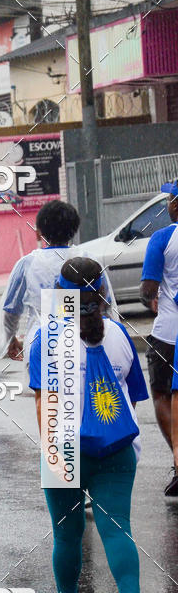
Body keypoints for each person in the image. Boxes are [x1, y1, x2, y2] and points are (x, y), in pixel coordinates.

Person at [29, 257, 148, 593]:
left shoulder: (45, 337)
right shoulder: (118, 333)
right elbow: (132, 397)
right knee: (118, 529)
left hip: (64, 446)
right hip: (117, 449)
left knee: (67, 535)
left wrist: (54, 454)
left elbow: (44, 406)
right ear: (102, 293)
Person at [0, 200, 115, 365]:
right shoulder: (89, 260)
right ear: (74, 229)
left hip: (41, 346)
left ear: (39, 232)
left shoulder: (27, 264)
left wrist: (10, 339)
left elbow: (10, 309)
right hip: (85, 342)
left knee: (44, 391)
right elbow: (107, 306)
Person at [140, 179, 178, 493]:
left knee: (162, 394)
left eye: (168, 199)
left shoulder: (162, 238)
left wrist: (151, 299)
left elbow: (147, 290)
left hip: (169, 334)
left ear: (176, 205)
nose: (166, 204)